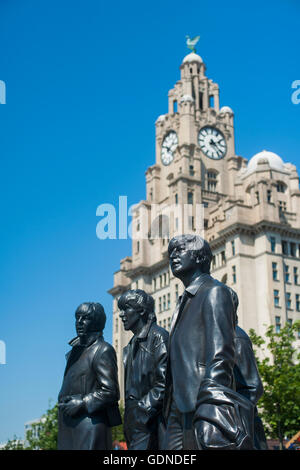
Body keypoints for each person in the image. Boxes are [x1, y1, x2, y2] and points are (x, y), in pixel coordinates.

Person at [163, 234, 255, 450]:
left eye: (180, 250)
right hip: (179, 404)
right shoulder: (185, 300)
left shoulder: (214, 292)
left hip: (201, 402)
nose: (173, 256)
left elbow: (220, 354)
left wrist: (211, 407)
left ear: (199, 257)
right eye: (171, 252)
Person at [57, 302, 122, 450]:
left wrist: (83, 403)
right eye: (77, 318)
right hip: (70, 427)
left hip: (89, 427)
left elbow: (110, 391)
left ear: (97, 321)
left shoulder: (103, 350)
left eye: (85, 318)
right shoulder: (76, 351)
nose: (79, 322)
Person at [118, 289, 169, 450]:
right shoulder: (130, 346)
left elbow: (165, 382)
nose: (121, 314)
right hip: (134, 420)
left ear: (140, 310)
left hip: (151, 419)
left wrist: (143, 409)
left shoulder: (159, 337)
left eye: (126, 308)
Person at [228, 287, 268, 450]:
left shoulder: (236, 338)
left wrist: (229, 415)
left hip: (242, 432)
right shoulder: (221, 336)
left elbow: (253, 388)